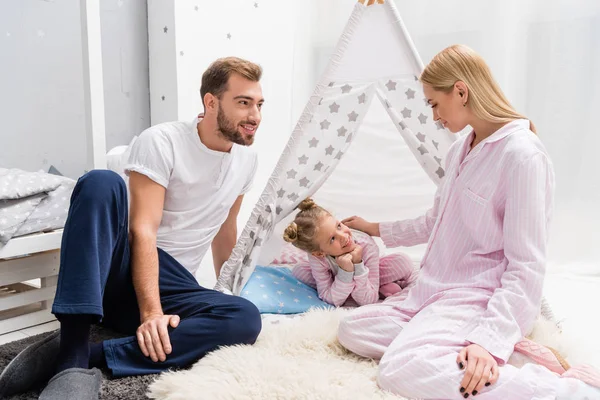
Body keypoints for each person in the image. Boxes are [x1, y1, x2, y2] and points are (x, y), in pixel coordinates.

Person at [338, 45, 600, 399]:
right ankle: (504, 350)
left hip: (473, 294)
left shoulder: (522, 156)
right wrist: (376, 229)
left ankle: (570, 390)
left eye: (434, 104)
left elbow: (527, 266)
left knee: (400, 368)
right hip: (432, 290)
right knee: (353, 329)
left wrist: (489, 342)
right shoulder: (460, 148)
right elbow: (436, 221)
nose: (433, 116)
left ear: (460, 91)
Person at [0, 57, 265, 399]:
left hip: (175, 284)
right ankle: (73, 355)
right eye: (243, 103)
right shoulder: (163, 141)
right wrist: (152, 312)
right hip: (124, 270)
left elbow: (226, 231)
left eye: (258, 104)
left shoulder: (247, 161)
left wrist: (227, 293)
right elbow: (143, 230)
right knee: (101, 182)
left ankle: (89, 355)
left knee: (244, 317)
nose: (255, 116)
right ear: (211, 102)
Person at [282, 198, 417, 307]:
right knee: (299, 270)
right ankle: (360, 289)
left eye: (339, 226)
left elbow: (369, 301)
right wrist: (345, 273)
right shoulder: (316, 257)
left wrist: (358, 264)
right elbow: (331, 300)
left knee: (402, 261)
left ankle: (366, 288)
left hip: (368, 275)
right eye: (332, 239)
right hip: (338, 278)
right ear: (319, 253)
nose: (344, 236)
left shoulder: (366, 245)